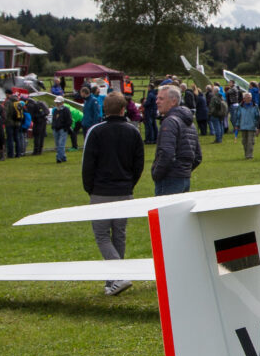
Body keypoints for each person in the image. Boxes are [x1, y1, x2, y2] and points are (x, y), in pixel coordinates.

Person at [82, 93, 143, 296]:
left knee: (101, 235)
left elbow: (88, 163)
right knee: (119, 234)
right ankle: (112, 281)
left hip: (101, 190)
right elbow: (138, 164)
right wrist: (129, 184)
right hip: (124, 190)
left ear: (104, 109)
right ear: (123, 109)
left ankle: (118, 275)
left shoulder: (96, 131)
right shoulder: (133, 131)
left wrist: (90, 187)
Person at [152, 84, 201, 195]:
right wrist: (184, 171)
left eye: (161, 99)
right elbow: (197, 156)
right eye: (157, 98)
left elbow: (167, 152)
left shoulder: (170, 121)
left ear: (173, 101)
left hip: (169, 179)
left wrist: (156, 173)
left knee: (166, 212)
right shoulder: (189, 123)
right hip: (183, 178)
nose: (157, 102)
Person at [235, 90, 260, 160]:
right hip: (243, 126)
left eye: (250, 97)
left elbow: (258, 116)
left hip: (252, 126)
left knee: (250, 141)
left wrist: (257, 125)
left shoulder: (255, 106)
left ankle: (250, 155)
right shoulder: (240, 106)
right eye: (247, 97)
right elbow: (238, 116)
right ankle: (246, 154)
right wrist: (237, 125)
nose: (249, 98)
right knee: (244, 141)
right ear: (244, 99)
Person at [51, 97, 73, 162]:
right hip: (56, 129)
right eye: (56, 103)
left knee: (61, 144)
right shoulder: (55, 110)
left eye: (58, 103)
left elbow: (69, 120)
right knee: (58, 144)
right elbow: (54, 119)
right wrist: (53, 126)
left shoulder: (66, 110)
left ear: (62, 103)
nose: (57, 104)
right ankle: (63, 157)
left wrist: (66, 128)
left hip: (63, 129)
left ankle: (58, 158)